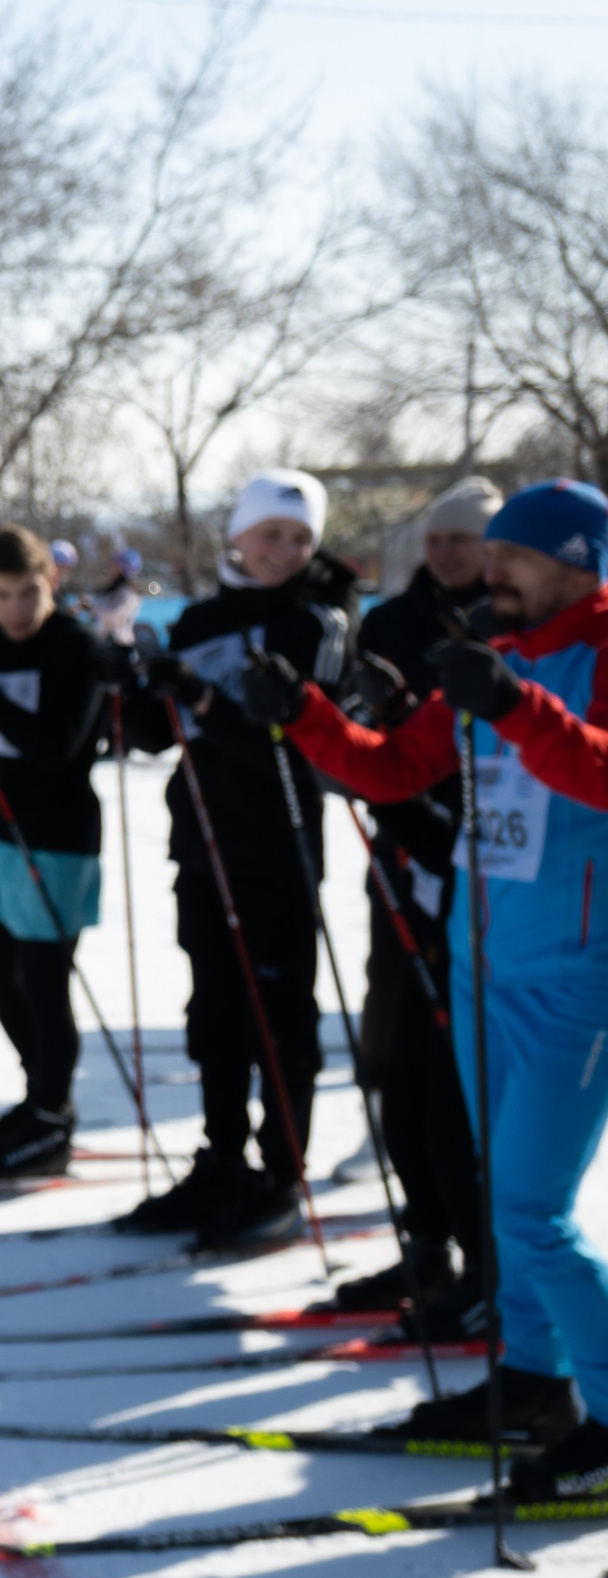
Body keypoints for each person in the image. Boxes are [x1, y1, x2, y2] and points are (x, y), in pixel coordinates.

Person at [247, 480, 608, 1480]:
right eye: (488, 556)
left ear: (577, 563)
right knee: (502, 1195)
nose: (491, 573)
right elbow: (396, 768)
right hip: (485, 963)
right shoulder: (495, 656)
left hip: (581, 976)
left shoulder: (590, 653)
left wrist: (517, 708)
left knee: (533, 1209)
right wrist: (305, 715)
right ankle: (531, 1380)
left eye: (513, 558)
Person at [117, 469, 357, 1249]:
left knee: (279, 1020)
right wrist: (142, 686)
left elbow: (293, 752)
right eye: (270, 534)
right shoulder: (200, 619)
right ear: (238, 538)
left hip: (278, 848)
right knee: (214, 1014)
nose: (284, 549)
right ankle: (221, 1160)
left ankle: (281, 1173)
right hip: (203, 843)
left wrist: (206, 699)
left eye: (299, 537)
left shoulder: (315, 621)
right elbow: (156, 736)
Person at [322, 475, 499, 1327]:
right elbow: (382, 735)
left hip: (478, 873)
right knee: (396, 1064)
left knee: (451, 1088)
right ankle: (427, 1244)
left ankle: (483, 1263)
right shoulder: (396, 619)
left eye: (463, 538)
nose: (446, 552)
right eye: (436, 538)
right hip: (402, 858)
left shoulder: (515, 631)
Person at [0, 527, 111, 1179]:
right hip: (3, 827)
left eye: (28, 592)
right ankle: (38, 1093)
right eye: (1, 594)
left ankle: (52, 1116)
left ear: (53, 582)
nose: (15, 609)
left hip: (61, 832)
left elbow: (59, 747)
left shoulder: (75, 646)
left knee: (44, 981)